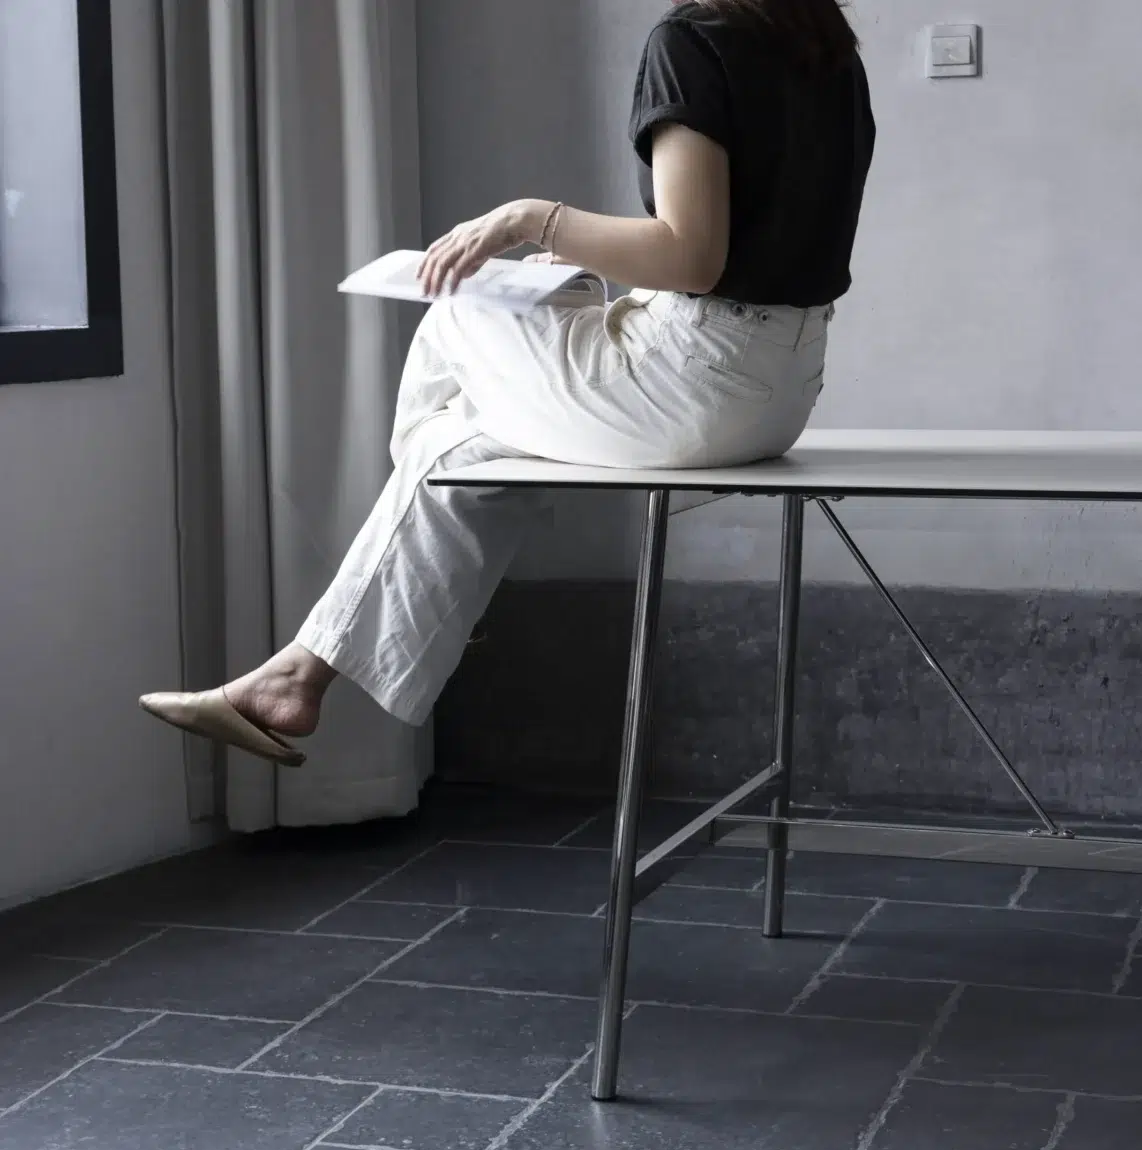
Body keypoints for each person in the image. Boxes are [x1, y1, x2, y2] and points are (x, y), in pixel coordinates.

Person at [140, 0, 876, 767]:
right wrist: (581, 257)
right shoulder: (823, 42)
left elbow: (693, 258)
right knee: (479, 426)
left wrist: (530, 217)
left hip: (696, 386)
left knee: (455, 317)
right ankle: (300, 673)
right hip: (782, 388)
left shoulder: (690, 40)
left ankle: (434, 577)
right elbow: (752, 250)